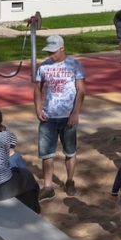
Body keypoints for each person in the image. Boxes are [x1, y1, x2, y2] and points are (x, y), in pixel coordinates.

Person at [34, 34, 86, 199]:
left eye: (53, 51)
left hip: (68, 116)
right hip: (48, 117)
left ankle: (70, 181)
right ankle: (48, 186)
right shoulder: (43, 67)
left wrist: (75, 113)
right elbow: (37, 89)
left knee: (70, 151)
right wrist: (38, 108)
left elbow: (81, 90)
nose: (51, 54)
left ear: (62, 48)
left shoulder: (74, 64)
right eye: (49, 51)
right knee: (46, 153)